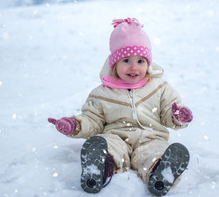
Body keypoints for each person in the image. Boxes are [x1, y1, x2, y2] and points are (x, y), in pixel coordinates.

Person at [48, 17, 193, 196]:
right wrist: (75, 125)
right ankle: (100, 166)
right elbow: (92, 120)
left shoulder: (160, 88)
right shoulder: (102, 93)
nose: (134, 67)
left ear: (148, 64)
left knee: (155, 152)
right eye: (126, 60)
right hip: (116, 137)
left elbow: (167, 112)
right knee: (109, 147)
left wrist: (177, 116)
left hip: (151, 138)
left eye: (140, 61)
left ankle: (162, 172)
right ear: (114, 63)